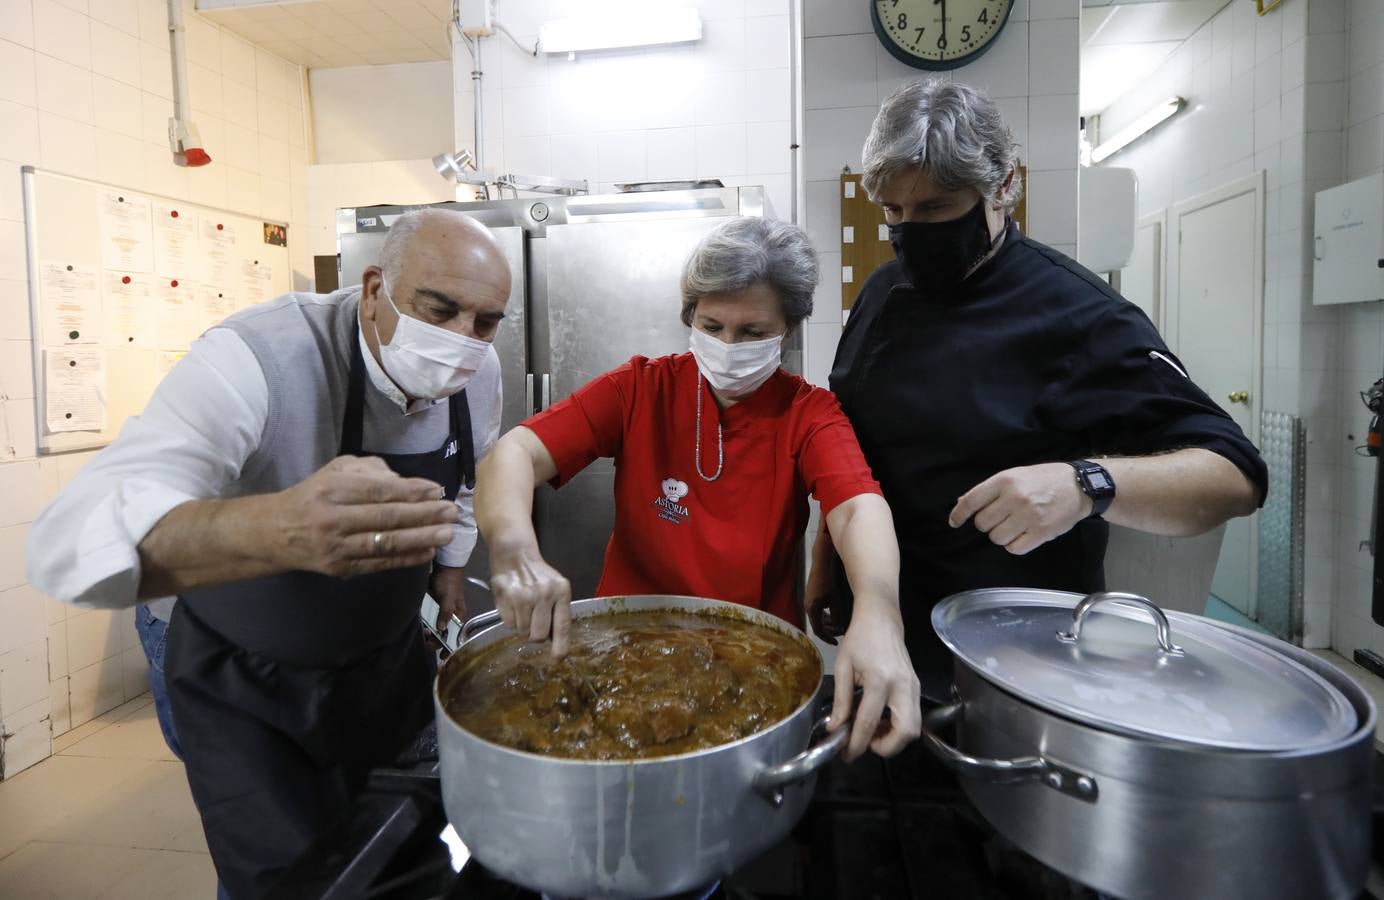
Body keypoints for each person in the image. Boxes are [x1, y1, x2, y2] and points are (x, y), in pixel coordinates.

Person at [27, 209, 508, 898]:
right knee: (285, 878)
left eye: (486, 322)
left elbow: (466, 480)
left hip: (379, 664)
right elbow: (68, 539)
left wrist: (454, 568)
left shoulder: (478, 371)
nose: (463, 340)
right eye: (441, 310)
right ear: (374, 288)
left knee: (392, 850)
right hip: (242, 673)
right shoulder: (260, 355)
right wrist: (278, 527)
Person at [812, 79, 1269, 698]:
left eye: (938, 208)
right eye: (895, 212)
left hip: (1016, 659)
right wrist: (826, 562)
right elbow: (853, 445)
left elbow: (1234, 475)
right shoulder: (880, 292)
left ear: (1004, 186)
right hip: (880, 629)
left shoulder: (1083, 316)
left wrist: (1086, 484)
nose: (910, 231)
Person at [474, 217, 921, 762]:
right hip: (626, 649)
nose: (729, 346)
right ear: (690, 318)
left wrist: (879, 612)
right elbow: (515, 454)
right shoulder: (640, 388)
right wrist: (514, 548)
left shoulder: (809, 414)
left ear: (789, 328)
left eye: (753, 333)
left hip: (753, 658)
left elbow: (856, 509)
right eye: (712, 327)